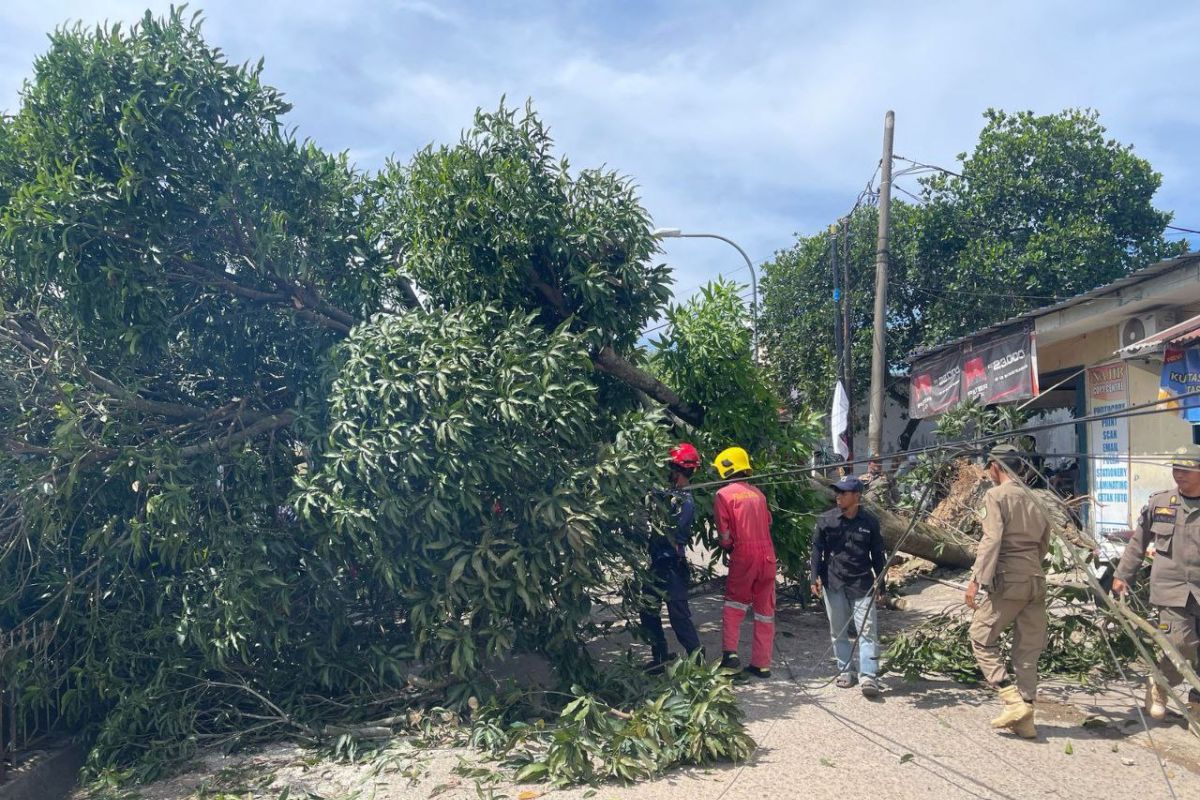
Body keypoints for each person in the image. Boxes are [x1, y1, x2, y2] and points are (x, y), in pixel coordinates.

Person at [965, 443, 1051, 739]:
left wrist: (977, 580)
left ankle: (1010, 698)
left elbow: (992, 540)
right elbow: (1044, 544)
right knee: (1028, 649)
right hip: (1035, 579)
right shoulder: (1038, 498)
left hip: (1008, 579)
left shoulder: (995, 495)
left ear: (996, 467)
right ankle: (1026, 717)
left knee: (980, 637)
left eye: (989, 468)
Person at [1113, 444, 1200, 721]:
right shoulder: (1160, 503)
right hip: (1172, 589)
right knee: (1180, 643)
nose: (1179, 474)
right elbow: (1138, 543)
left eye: (1186, 469)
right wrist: (1122, 575)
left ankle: (1196, 702)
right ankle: (1159, 684)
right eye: (1176, 468)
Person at [810, 475, 887, 697]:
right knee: (838, 630)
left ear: (857, 496)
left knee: (867, 631)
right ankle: (845, 671)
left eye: (843, 493)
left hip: (862, 582)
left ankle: (868, 676)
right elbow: (817, 550)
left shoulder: (870, 522)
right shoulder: (826, 520)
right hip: (833, 582)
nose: (838, 496)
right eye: (837, 492)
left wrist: (881, 584)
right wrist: (814, 576)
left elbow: (878, 554)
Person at [639, 443, 704, 671]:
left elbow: (670, 530)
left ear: (676, 470)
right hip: (658, 562)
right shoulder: (670, 495)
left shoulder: (684, 501)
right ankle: (660, 656)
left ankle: (698, 660)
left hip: (672, 563)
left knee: (678, 615)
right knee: (647, 608)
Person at [713, 446, 776, 679]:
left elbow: (724, 534)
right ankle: (762, 664)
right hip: (768, 555)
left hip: (744, 554)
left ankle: (730, 657)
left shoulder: (723, 495)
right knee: (764, 611)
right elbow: (768, 522)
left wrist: (729, 547)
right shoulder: (759, 493)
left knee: (735, 604)